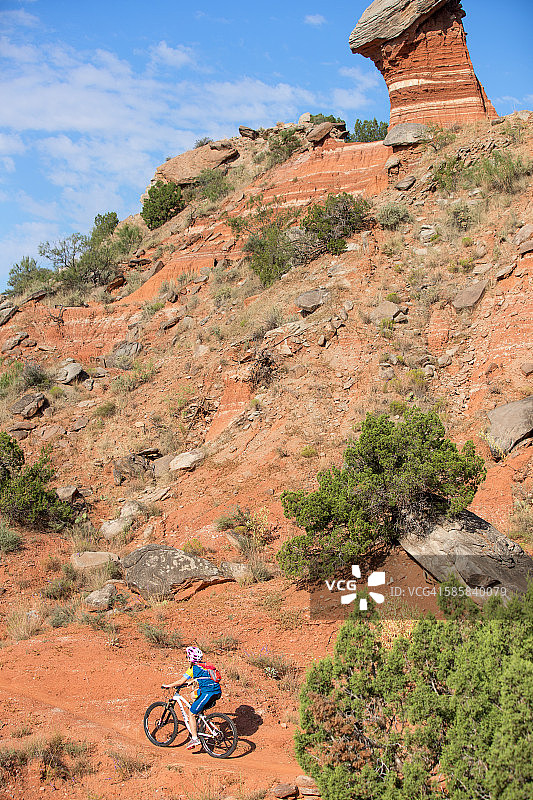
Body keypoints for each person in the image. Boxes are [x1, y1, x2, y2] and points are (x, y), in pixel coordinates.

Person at [162, 646, 221, 750]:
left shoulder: (193, 668)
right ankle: (199, 720)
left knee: (191, 713)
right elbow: (207, 677)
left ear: (190, 658)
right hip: (216, 692)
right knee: (193, 695)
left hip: (208, 692)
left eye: (187, 657)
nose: (186, 658)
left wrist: (168, 685)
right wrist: (193, 681)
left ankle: (194, 738)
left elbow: (180, 682)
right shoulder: (207, 665)